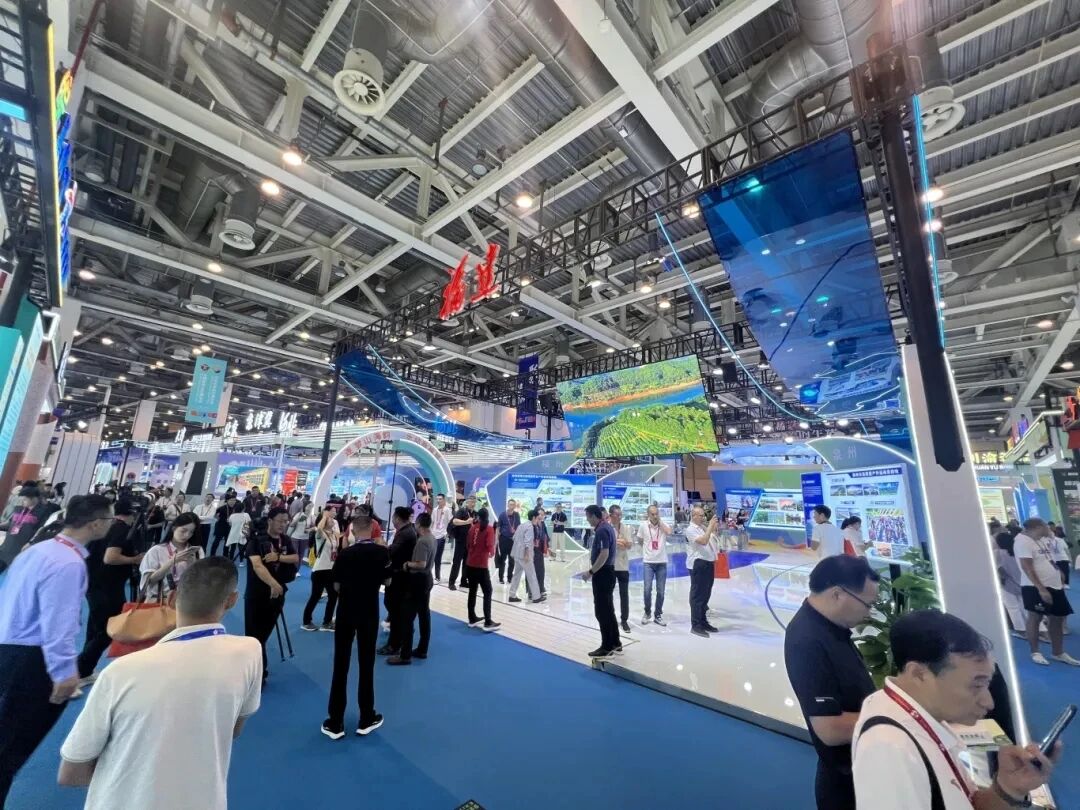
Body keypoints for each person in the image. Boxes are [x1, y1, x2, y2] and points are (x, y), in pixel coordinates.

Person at [58, 557, 261, 809]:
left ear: (173, 598)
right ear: (231, 600)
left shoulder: (121, 672)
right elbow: (234, 728)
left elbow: (71, 772)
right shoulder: (249, 652)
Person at [852, 609, 1060, 809]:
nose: (988, 703)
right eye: (976, 685)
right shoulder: (891, 750)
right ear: (918, 674)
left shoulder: (911, 714)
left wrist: (1009, 788)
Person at [0, 495, 113, 806]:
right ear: (96, 524)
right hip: (31, 661)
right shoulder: (68, 563)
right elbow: (58, 623)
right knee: (10, 750)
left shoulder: (38, 550)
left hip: (9, 651)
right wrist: (64, 672)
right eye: (109, 519)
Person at [784, 555, 880, 810]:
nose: (869, 613)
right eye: (867, 604)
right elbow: (829, 729)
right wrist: (895, 715)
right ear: (838, 594)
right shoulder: (807, 642)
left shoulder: (831, 627)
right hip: (846, 786)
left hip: (861, 770)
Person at [324, 509, 391, 739]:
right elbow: (388, 581)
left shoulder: (345, 555)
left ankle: (335, 722)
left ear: (352, 530)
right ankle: (366, 717)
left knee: (340, 664)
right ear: (372, 530)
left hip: (346, 612)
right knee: (367, 664)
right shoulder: (382, 553)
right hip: (369, 612)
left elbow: (336, 586)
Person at [77, 499, 145, 685]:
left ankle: (85, 669)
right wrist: (134, 559)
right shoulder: (121, 529)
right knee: (108, 630)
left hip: (93, 582)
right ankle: (80, 669)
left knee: (95, 627)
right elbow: (110, 557)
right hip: (108, 586)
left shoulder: (105, 528)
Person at [244, 507, 299, 686]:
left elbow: (295, 558)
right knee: (253, 637)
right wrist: (273, 584)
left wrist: (278, 557)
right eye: (280, 521)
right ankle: (257, 675)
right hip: (256, 594)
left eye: (286, 521)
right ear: (270, 520)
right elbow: (257, 566)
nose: (283, 524)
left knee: (262, 636)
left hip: (277, 596)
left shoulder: (286, 539)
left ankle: (258, 673)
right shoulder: (256, 541)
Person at [1013, 516, 1078, 666]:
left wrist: (1058, 571)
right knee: (1035, 617)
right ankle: (1035, 652)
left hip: (1055, 585)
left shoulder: (1041, 539)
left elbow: (1048, 558)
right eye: (1045, 526)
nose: (1048, 528)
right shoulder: (1022, 542)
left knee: (1057, 617)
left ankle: (1058, 652)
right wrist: (1041, 589)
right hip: (1034, 587)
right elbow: (1027, 567)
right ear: (1037, 527)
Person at [392, 511, 437, 664]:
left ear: (418, 524)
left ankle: (404, 655)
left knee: (407, 617)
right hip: (427, 579)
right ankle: (422, 649)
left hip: (418, 581)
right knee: (424, 615)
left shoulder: (422, 541)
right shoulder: (432, 538)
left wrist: (407, 564)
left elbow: (421, 564)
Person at [139, 512, 205, 601]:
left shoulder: (197, 551)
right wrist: (171, 562)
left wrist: (192, 565)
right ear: (174, 528)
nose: (187, 535)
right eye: (183, 531)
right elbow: (149, 581)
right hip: (160, 599)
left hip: (186, 600)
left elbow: (200, 580)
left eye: (191, 532)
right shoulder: (156, 550)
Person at [582, 504, 620, 658]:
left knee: (602, 611)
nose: (587, 520)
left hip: (603, 574)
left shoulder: (602, 530)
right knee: (608, 610)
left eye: (588, 517)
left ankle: (606, 646)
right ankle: (615, 642)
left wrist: (591, 572)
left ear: (593, 516)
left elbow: (604, 554)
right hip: (608, 573)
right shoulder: (607, 527)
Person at [380, 507, 417, 658]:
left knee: (395, 610)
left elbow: (392, 552)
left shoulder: (405, 534)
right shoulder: (407, 531)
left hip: (400, 577)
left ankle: (394, 644)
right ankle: (397, 641)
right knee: (394, 609)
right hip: (401, 575)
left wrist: (382, 547)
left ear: (397, 518)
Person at [0, 484, 61, 572]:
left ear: (34, 498)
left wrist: (31, 543)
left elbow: (41, 530)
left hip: (22, 550)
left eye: (25, 499)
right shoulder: (18, 509)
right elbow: (10, 524)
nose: (22, 501)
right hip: (6, 547)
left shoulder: (43, 512)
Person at [302, 507, 343, 632]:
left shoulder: (334, 534)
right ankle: (306, 622)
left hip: (332, 570)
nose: (332, 520)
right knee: (315, 596)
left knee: (333, 596)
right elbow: (319, 528)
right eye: (329, 519)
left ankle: (327, 622)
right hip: (320, 570)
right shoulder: (320, 534)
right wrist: (325, 515)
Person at [685, 506, 720, 637]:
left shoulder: (701, 528)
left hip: (708, 563)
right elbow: (704, 541)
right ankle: (696, 625)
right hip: (699, 564)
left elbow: (713, 538)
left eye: (703, 515)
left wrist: (711, 527)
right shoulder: (690, 530)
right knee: (697, 596)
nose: (703, 518)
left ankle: (703, 621)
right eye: (700, 515)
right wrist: (710, 526)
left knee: (706, 595)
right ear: (693, 516)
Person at [466, 507, 500, 632]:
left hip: (470, 564)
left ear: (478, 517)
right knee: (488, 591)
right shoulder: (489, 529)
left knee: (472, 591)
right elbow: (490, 548)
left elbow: (468, 545)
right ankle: (488, 621)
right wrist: (492, 552)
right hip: (481, 566)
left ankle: (472, 618)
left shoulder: (472, 528)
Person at [638, 504, 671, 626]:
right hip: (648, 562)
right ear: (648, 515)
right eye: (652, 514)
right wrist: (648, 550)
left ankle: (658, 615)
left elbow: (669, 532)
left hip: (661, 562)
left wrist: (660, 522)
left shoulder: (663, 525)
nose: (655, 516)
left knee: (661, 591)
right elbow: (640, 540)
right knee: (647, 589)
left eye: (657, 513)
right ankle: (647, 612)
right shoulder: (643, 525)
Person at [994, 532, 1026, 636]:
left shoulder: (998, 553)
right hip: (1021, 582)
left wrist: (1002, 578)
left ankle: (1021, 630)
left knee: (1013, 608)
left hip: (1007, 584)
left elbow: (1000, 570)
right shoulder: (1016, 551)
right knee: (1024, 606)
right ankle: (1035, 628)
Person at [508, 509, 544, 604]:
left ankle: (512, 595)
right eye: (537, 518)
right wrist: (527, 555)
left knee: (516, 575)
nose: (538, 520)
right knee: (531, 575)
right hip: (524, 556)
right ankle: (536, 597)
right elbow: (527, 542)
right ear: (533, 517)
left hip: (517, 554)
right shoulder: (530, 527)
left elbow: (514, 537)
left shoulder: (521, 525)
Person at [609, 505, 634, 634]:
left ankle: (624, 620)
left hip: (623, 565)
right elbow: (608, 545)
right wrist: (618, 542)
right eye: (617, 515)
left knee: (624, 594)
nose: (619, 517)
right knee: (609, 594)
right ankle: (610, 619)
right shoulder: (607, 528)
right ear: (611, 515)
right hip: (610, 565)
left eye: (620, 515)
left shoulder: (626, 528)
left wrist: (620, 542)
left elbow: (629, 545)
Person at [448, 494, 476, 591]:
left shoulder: (474, 513)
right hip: (460, 541)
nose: (473, 504)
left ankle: (463, 582)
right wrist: (466, 522)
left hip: (470, 542)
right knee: (457, 562)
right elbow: (455, 521)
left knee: (466, 563)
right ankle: (451, 582)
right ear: (467, 502)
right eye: (471, 502)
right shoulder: (462, 511)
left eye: (474, 502)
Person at [495, 498, 520, 584]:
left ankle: (510, 578)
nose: (511, 506)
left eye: (513, 505)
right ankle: (501, 578)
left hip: (513, 541)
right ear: (507, 505)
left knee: (512, 560)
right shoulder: (502, 515)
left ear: (515, 506)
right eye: (510, 504)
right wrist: (496, 540)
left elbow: (518, 527)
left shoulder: (517, 515)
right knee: (502, 559)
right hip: (504, 540)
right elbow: (498, 528)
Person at [431, 493, 453, 583]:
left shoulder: (447, 510)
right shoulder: (434, 510)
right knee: (432, 556)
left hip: (442, 535)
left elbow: (451, 522)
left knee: (438, 557)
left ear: (444, 500)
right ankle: (430, 575)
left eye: (440, 499)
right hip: (433, 535)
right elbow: (432, 522)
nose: (438, 500)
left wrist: (447, 533)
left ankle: (437, 577)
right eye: (437, 499)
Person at [287, 499, 313, 570]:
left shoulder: (311, 516)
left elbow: (314, 527)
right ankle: (292, 569)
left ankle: (297, 570)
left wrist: (310, 529)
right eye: (309, 506)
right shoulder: (299, 514)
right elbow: (291, 525)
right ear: (305, 506)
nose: (310, 507)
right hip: (295, 537)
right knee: (294, 554)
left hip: (305, 538)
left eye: (311, 506)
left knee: (301, 555)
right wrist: (298, 519)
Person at [532, 507, 550, 598]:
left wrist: (548, 549)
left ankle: (541, 588)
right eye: (539, 514)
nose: (541, 516)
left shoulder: (543, 524)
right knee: (533, 571)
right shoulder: (532, 525)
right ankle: (532, 592)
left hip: (540, 550)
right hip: (532, 550)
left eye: (542, 514)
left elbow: (546, 536)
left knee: (541, 571)